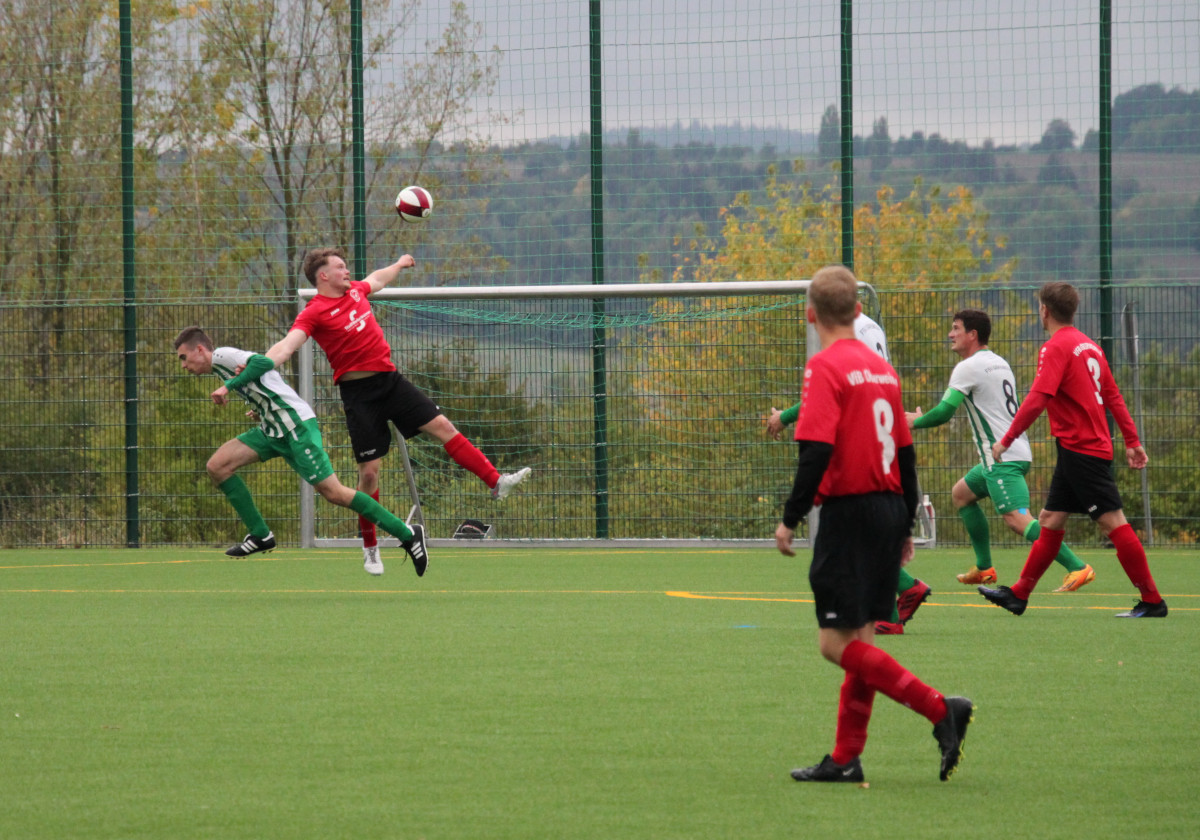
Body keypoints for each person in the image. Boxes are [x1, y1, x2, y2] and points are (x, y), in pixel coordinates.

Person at [774, 266, 974, 784]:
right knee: (863, 637)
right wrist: (905, 520)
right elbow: (905, 455)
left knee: (834, 645)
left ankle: (939, 708)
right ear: (858, 310)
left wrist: (791, 517)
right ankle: (845, 758)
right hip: (887, 507)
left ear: (811, 314)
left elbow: (816, 448)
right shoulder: (883, 370)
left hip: (850, 511)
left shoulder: (825, 366)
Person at [265, 248, 530, 576]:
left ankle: (496, 482)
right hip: (359, 397)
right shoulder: (315, 311)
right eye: (340, 267)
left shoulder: (357, 291)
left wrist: (400, 265)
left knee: (443, 426)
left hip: (391, 383)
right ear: (323, 275)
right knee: (369, 474)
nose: (347, 271)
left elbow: (377, 279)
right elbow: (287, 345)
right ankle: (370, 546)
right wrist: (260, 368)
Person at [174, 326, 429, 575]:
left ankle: (408, 534)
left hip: (296, 426)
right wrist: (259, 407)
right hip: (272, 430)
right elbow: (264, 383)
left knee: (334, 493)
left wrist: (228, 387)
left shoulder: (222, 355)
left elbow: (263, 363)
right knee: (217, 466)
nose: (184, 365)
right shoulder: (219, 368)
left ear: (200, 349)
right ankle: (261, 535)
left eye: (184, 358)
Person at [978, 282, 1166, 618]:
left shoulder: (1055, 347)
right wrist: (1132, 441)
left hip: (1083, 450)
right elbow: (1114, 397)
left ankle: (1152, 600)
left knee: (1113, 523)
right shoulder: (1090, 347)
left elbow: (1038, 397)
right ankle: (1019, 594)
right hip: (1078, 449)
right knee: (1050, 519)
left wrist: (1006, 439)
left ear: (1044, 310)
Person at [905, 309, 1094, 592]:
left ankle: (1078, 567)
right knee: (961, 494)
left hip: (1001, 457)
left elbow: (945, 412)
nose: (950, 334)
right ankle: (984, 569)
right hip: (1012, 452)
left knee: (1018, 519)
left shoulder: (967, 368)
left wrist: (914, 422)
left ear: (973, 335)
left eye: (956, 328)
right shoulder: (998, 362)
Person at [767, 311, 930, 635]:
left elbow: (836, 390)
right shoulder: (873, 332)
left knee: (836, 638)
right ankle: (897, 603)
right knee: (876, 532)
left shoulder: (844, 340)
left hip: (861, 444)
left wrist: (784, 417)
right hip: (884, 443)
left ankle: (903, 594)